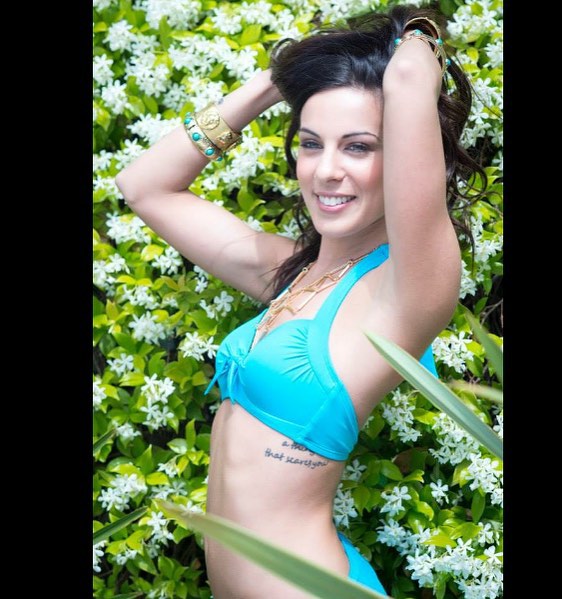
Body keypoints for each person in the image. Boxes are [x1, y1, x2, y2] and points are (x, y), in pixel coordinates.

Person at [115, 3, 485, 597]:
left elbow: (409, 78)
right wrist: (278, 79)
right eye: (311, 144)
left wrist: (417, 33)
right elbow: (144, 186)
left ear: (404, 158)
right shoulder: (293, 275)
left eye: (358, 147)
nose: (325, 171)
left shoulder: (407, 290)